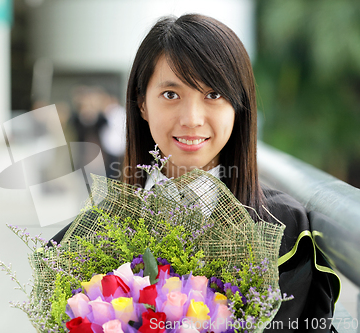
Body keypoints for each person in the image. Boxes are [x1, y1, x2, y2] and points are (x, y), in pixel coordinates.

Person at [51, 14, 339, 332]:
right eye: (171, 94)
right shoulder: (93, 233)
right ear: (142, 104)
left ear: (239, 105)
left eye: (213, 95)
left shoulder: (282, 229)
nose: (192, 118)